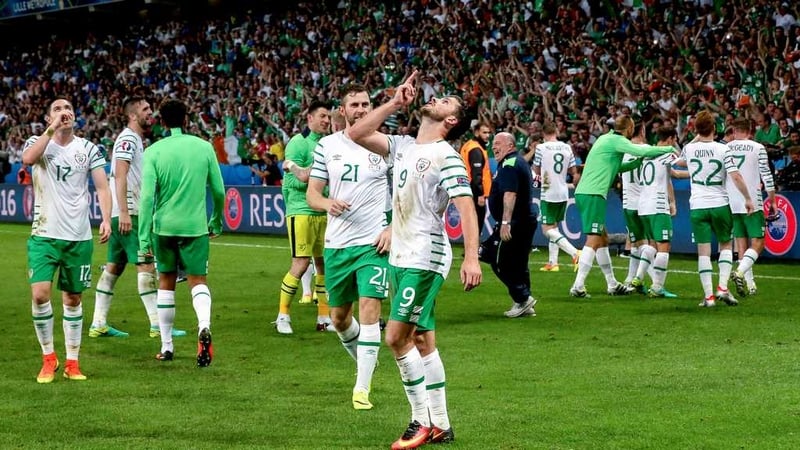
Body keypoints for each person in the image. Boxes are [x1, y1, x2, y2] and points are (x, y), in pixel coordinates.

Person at [350, 71, 482, 449]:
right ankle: (441, 424)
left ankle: (419, 421)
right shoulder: (404, 147)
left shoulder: (446, 157)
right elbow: (357, 133)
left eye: (445, 101)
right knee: (421, 339)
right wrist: (394, 103)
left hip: (426, 255)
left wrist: (471, 258)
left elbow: (466, 207)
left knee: (395, 337)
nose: (435, 98)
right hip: (401, 255)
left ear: (451, 120)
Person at [304, 83, 392, 410]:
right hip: (337, 244)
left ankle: (361, 388)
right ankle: (365, 359)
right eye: (354, 105)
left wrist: (392, 228)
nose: (361, 109)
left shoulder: (385, 146)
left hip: (373, 243)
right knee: (339, 318)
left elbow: (403, 193)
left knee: (370, 307)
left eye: (365, 104)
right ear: (342, 111)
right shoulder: (327, 146)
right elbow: (312, 194)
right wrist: (327, 203)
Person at [23, 97, 112, 383]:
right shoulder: (38, 142)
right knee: (40, 295)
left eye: (69, 108)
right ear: (48, 117)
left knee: (73, 299)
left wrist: (107, 219)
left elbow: (102, 186)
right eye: (58, 109)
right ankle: (48, 358)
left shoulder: (88, 148)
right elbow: (28, 159)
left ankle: (72, 362)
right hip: (44, 235)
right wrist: (51, 130)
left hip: (78, 236)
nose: (65, 112)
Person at [89, 96, 187, 339]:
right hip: (129, 212)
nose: (150, 112)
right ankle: (157, 324)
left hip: (122, 212)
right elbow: (120, 174)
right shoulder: (129, 139)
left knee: (114, 267)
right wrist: (124, 211)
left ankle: (98, 323)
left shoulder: (134, 140)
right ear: (133, 115)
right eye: (145, 109)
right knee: (146, 265)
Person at [138, 99, 225, 366]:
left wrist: (143, 237)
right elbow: (219, 190)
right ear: (186, 119)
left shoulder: (153, 151)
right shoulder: (204, 147)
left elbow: (146, 198)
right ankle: (204, 326)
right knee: (198, 281)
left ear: (162, 122)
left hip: (163, 228)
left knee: (165, 281)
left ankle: (166, 347)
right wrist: (216, 220)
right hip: (195, 227)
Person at [569, 116, 676, 298]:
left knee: (602, 239)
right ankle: (578, 285)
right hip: (593, 193)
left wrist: (635, 163)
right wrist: (669, 149)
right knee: (593, 239)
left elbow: (616, 167)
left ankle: (612, 283)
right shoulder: (617, 140)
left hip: (585, 192)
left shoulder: (604, 139)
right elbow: (642, 150)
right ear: (629, 128)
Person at [679, 110, 753, 307]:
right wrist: (747, 198)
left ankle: (709, 297)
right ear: (714, 128)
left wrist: (696, 137)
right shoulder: (723, 149)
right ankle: (722, 288)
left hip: (698, 205)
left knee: (703, 251)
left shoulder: (689, 149)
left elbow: (678, 161)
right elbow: (735, 176)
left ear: (696, 129)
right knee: (726, 245)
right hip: (720, 204)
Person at [273, 101, 333, 334]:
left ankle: (324, 318)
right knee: (301, 263)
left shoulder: (326, 143)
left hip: (322, 210)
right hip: (301, 211)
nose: (326, 121)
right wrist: (308, 171)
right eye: (322, 116)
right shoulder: (298, 143)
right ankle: (282, 316)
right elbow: (296, 180)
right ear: (310, 118)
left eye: (328, 117)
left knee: (323, 264)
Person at [488, 132, 538, 318]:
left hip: (515, 222)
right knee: (519, 263)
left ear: (510, 146)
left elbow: (510, 194)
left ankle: (523, 297)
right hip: (524, 220)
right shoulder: (518, 161)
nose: (494, 147)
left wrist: (505, 222)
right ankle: (524, 302)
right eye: (493, 143)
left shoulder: (509, 164)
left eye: (498, 143)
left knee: (497, 259)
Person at [727, 118, 777, 297]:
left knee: (741, 243)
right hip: (752, 201)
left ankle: (750, 284)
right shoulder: (758, 148)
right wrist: (772, 200)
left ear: (734, 130)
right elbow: (766, 175)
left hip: (732, 201)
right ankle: (740, 273)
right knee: (758, 242)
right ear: (750, 131)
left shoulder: (726, 148)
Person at [633, 126, 682, 298]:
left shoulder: (647, 153)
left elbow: (674, 174)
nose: (675, 144)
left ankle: (638, 278)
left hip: (643, 205)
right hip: (658, 204)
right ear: (669, 139)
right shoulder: (667, 153)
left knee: (652, 244)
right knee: (664, 245)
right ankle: (657, 287)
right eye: (674, 140)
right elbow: (682, 162)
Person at [532, 122, 581, 272]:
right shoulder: (567, 147)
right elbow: (574, 172)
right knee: (554, 227)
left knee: (547, 229)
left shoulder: (541, 148)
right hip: (563, 191)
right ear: (557, 132)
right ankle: (553, 263)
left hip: (548, 191)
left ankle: (575, 253)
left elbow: (536, 170)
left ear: (543, 134)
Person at [458, 122, 492, 236]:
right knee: (477, 223)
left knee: (471, 223)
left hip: (466, 188)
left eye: (488, 133)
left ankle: (471, 245)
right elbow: (476, 174)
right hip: (475, 191)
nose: (487, 135)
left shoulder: (468, 145)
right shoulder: (476, 149)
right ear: (477, 132)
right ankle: (474, 246)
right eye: (484, 132)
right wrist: (480, 194)